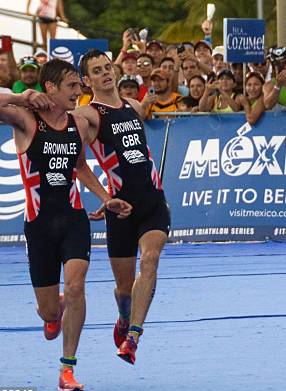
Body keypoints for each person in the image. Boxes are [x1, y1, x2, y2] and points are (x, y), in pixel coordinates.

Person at [0, 59, 131, 391]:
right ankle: (55, 311)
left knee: (77, 285)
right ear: (50, 88)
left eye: (79, 86)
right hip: (39, 226)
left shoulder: (76, 124)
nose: (78, 92)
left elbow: (81, 167)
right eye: (72, 87)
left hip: (73, 219)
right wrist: (25, 97)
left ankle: (67, 369)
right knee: (49, 313)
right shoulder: (26, 121)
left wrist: (106, 198)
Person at [74, 49, 170, 365]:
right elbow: (79, 164)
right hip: (121, 211)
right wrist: (105, 198)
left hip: (153, 202)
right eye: (97, 71)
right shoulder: (90, 114)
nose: (106, 73)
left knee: (152, 259)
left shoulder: (132, 106)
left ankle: (133, 338)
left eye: (107, 67)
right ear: (87, 80)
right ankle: (124, 316)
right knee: (124, 290)